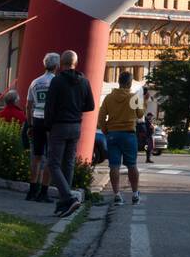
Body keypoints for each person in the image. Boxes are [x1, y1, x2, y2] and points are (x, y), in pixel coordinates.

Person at [43, 50, 95, 218]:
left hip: (59, 125)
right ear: (75, 63)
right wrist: (76, 108)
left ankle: (68, 198)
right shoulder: (84, 81)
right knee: (68, 163)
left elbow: (49, 107)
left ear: (61, 64)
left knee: (53, 164)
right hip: (76, 126)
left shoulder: (57, 81)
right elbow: (91, 106)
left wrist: (48, 126)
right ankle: (64, 203)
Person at [98, 72, 144, 205]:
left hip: (113, 134)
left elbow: (101, 118)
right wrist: (143, 101)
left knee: (114, 166)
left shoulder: (108, 98)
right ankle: (135, 194)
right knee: (132, 165)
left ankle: (117, 194)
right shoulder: (133, 98)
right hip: (129, 134)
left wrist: (107, 131)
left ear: (119, 82)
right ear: (129, 83)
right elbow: (140, 114)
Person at [25, 52, 59, 202]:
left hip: (37, 120)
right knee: (51, 158)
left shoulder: (35, 82)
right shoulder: (57, 82)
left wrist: (30, 124)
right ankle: (44, 193)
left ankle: (32, 190)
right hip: (51, 122)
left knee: (36, 157)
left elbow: (28, 105)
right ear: (57, 66)